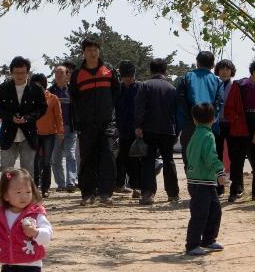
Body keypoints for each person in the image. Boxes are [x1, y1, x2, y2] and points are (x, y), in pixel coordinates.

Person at [69, 39, 119, 207]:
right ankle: (88, 194)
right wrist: (79, 120)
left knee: (108, 157)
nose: (93, 52)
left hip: (106, 123)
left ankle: (106, 193)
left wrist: (110, 113)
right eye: (89, 49)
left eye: (95, 49)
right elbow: (74, 99)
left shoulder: (109, 70)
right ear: (83, 52)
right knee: (87, 159)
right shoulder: (77, 74)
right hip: (86, 124)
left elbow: (116, 93)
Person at [134, 58, 180, 206]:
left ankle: (148, 194)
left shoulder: (144, 85)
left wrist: (138, 126)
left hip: (149, 129)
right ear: (165, 71)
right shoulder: (172, 88)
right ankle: (173, 194)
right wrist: (176, 130)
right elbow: (177, 112)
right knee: (169, 161)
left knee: (148, 161)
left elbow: (140, 108)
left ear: (150, 70)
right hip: (168, 130)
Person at [184, 102, 228, 256]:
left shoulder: (195, 134)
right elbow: (211, 156)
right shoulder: (208, 135)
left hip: (200, 181)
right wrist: (220, 172)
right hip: (201, 182)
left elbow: (188, 154)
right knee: (200, 214)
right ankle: (192, 245)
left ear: (194, 120)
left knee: (215, 210)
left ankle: (208, 239)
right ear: (213, 119)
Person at [222, 58, 255, 202]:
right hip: (240, 128)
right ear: (254, 72)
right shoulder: (240, 85)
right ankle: (235, 190)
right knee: (237, 162)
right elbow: (229, 107)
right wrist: (236, 120)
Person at [0, 56, 47, 172]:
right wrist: (10, 117)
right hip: (8, 134)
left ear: (27, 72)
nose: (19, 76)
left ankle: (28, 190)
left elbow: (42, 108)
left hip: (28, 135)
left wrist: (27, 118)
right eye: (16, 73)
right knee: (6, 170)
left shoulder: (36, 89)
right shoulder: (4, 88)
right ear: (11, 73)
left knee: (28, 170)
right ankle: (6, 190)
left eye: (22, 73)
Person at [175, 51, 222, 150]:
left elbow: (179, 103)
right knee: (207, 158)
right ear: (213, 65)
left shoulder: (186, 77)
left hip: (190, 124)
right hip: (209, 126)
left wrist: (180, 126)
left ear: (197, 63)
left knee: (189, 159)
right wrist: (213, 121)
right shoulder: (217, 81)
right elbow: (219, 104)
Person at [113, 61, 142, 195]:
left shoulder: (141, 88)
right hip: (123, 129)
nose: (127, 79)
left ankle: (137, 187)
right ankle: (119, 184)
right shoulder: (118, 89)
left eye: (129, 76)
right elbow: (116, 109)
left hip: (138, 130)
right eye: (125, 77)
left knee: (135, 160)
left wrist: (141, 127)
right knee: (122, 159)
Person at [32, 73, 63, 197]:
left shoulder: (53, 98)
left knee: (46, 162)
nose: (35, 87)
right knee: (34, 162)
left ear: (43, 84)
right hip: (34, 134)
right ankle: (34, 188)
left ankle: (45, 189)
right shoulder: (30, 98)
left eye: (37, 84)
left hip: (49, 134)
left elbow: (58, 116)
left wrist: (60, 131)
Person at [48, 64, 78, 193]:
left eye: (61, 72)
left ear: (67, 75)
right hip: (54, 130)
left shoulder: (73, 91)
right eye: (56, 72)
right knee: (56, 158)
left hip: (70, 128)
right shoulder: (50, 92)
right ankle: (61, 184)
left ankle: (71, 182)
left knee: (71, 154)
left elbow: (77, 109)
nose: (58, 74)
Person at [213, 60, 236, 188]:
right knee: (217, 154)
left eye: (228, 69)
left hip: (232, 124)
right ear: (217, 70)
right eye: (222, 68)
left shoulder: (236, 86)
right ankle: (219, 185)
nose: (225, 71)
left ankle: (235, 185)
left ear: (232, 71)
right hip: (217, 124)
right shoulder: (214, 84)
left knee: (234, 155)